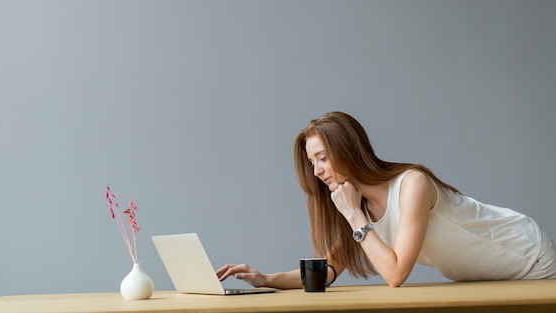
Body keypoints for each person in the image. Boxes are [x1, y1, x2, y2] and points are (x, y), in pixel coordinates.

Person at [217, 111, 556, 288]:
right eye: (311, 162)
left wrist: (354, 218)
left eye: (322, 157)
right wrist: (265, 279)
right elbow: (331, 269)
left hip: (528, 257)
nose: (317, 171)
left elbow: (395, 275)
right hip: (489, 280)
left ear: (346, 149)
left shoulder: (412, 185)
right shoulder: (358, 206)